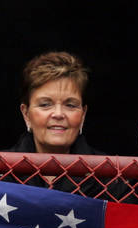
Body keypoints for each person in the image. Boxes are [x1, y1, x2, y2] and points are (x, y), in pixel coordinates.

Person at [13, 50, 128, 200]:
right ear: (26, 114)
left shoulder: (113, 178)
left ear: (83, 114)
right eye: (45, 104)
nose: (59, 114)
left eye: (71, 105)